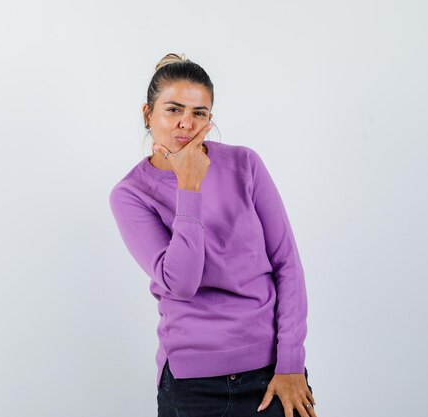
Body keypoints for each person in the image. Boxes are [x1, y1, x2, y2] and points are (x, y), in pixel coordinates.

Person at [108, 53, 317, 417]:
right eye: (173, 110)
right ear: (147, 115)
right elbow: (182, 282)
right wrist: (188, 187)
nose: (186, 124)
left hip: (272, 373)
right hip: (193, 387)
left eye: (199, 113)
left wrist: (291, 363)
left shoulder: (244, 164)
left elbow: (287, 265)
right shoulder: (130, 195)